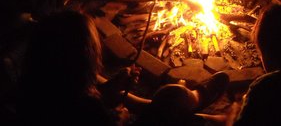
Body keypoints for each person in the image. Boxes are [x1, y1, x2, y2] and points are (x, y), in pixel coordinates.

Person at [16, 10, 229, 126]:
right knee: (173, 94)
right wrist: (120, 121)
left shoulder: (36, 87)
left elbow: (86, 99)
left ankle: (195, 113)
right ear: (84, 58)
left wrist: (113, 86)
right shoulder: (87, 110)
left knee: (167, 99)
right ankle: (197, 101)